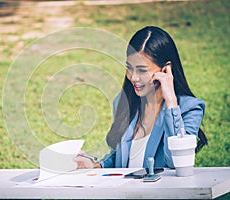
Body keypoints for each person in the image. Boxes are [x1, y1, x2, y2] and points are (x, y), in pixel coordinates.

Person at [74, 26, 207, 169]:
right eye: (130, 68)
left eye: (142, 70)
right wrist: (95, 166)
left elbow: (177, 162)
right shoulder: (124, 102)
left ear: (165, 69)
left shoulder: (190, 108)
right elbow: (122, 158)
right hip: (125, 191)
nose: (133, 77)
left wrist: (171, 102)